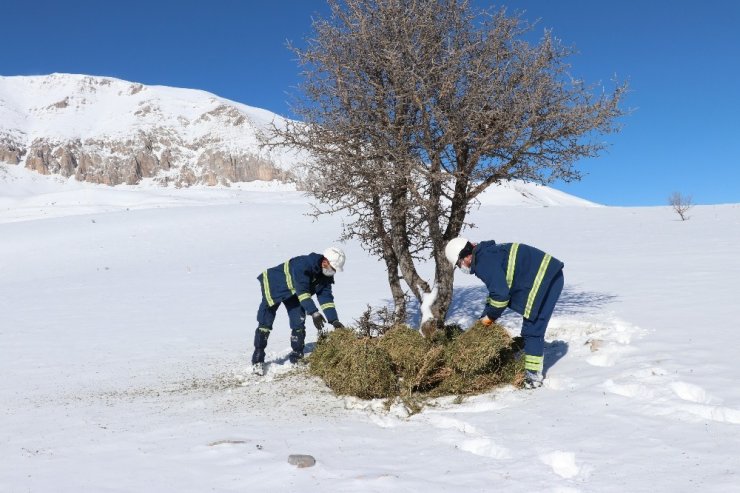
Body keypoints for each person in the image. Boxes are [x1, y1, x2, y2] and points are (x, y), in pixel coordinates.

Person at [445, 237, 564, 388]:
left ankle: (533, 377)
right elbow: (497, 290)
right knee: (531, 328)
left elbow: (501, 296)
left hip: (546, 280)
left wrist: (489, 319)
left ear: (466, 256)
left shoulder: (483, 263)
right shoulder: (486, 255)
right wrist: (484, 318)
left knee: (532, 330)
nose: (461, 267)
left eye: (459, 263)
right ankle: (533, 372)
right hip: (547, 276)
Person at [251, 246, 346, 376]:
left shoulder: (325, 276)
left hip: (293, 292)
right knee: (265, 323)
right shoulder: (303, 264)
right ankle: (257, 359)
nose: (333, 272)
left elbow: (326, 297)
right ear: (325, 261)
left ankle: (297, 356)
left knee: (298, 321)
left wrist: (334, 320)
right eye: (333, 268)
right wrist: (314, 312)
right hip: (274, 286)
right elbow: (303, 292)